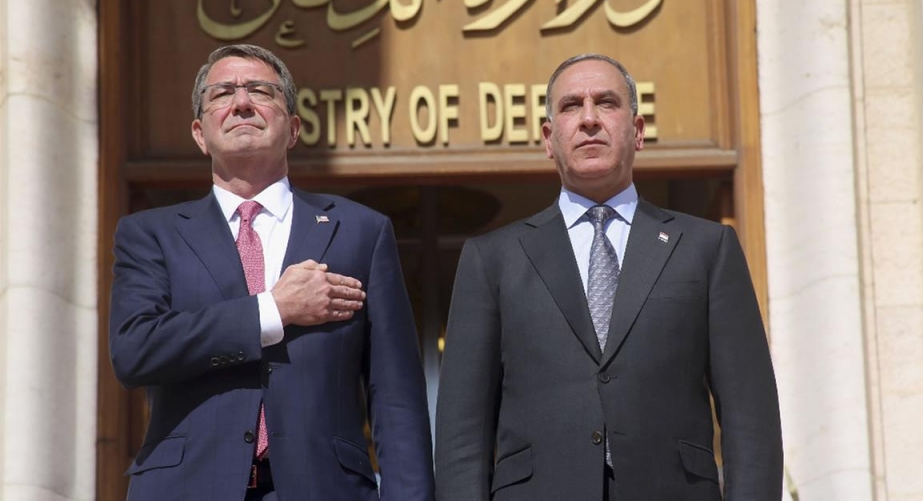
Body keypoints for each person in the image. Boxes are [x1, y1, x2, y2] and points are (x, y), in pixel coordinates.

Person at [434, 53, 783, 500]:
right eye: (570, 106)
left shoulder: (706, 249)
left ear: (637, 132)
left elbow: (750, 419)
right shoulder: (492, 260)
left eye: (607, 103)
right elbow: (462, 433)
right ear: (548, 138)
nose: (589, 119)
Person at [109, 44, 434, 500]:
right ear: (201, 134)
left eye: (261, 91)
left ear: (294, 128)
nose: (242, 102)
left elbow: (395, 396)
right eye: (222, 93)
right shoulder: (151, 234)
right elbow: (134, 351)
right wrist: (272, 310)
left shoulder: (360, 230)